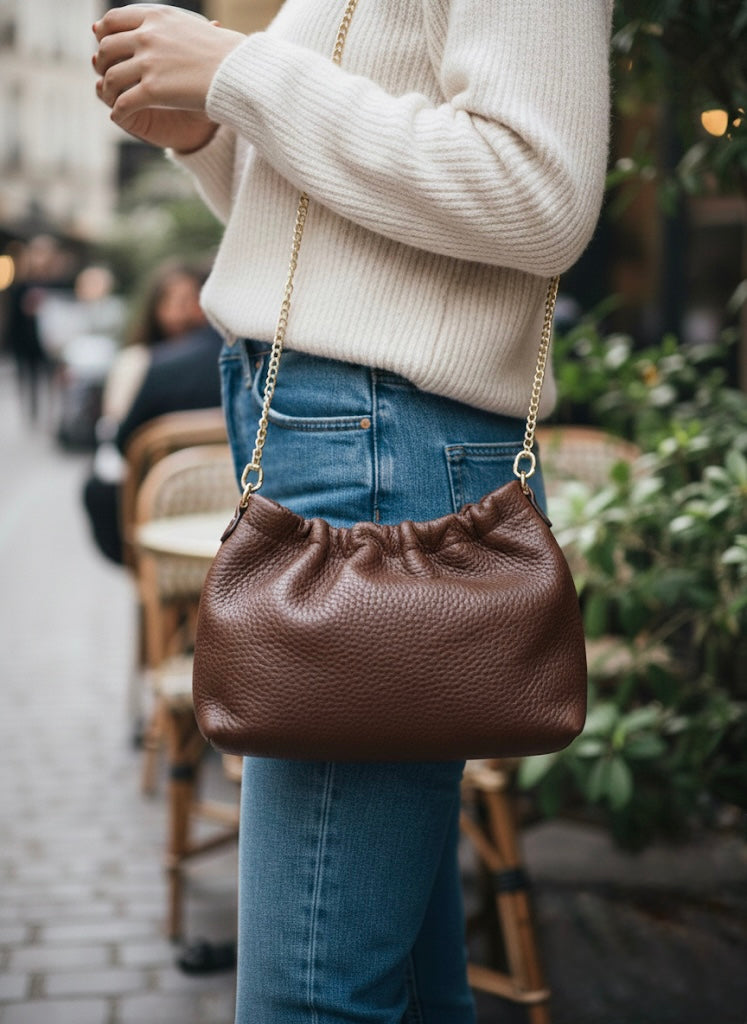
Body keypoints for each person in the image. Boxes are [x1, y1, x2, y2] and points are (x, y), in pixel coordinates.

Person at [92, 3, 613, 1021]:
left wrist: (243, 75)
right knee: (399, 985)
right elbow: (332, 230)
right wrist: (210, 138)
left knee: (307, 993)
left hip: (376, 447)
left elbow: (537, 193)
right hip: (338, 435)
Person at [82, 261, 221, 564]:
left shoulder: (155, 368)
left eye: (187, 301)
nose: (178, 313)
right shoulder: (254, 362)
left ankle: (141, 568)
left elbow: (122, 443)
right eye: (169, 301)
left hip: (167, 511)